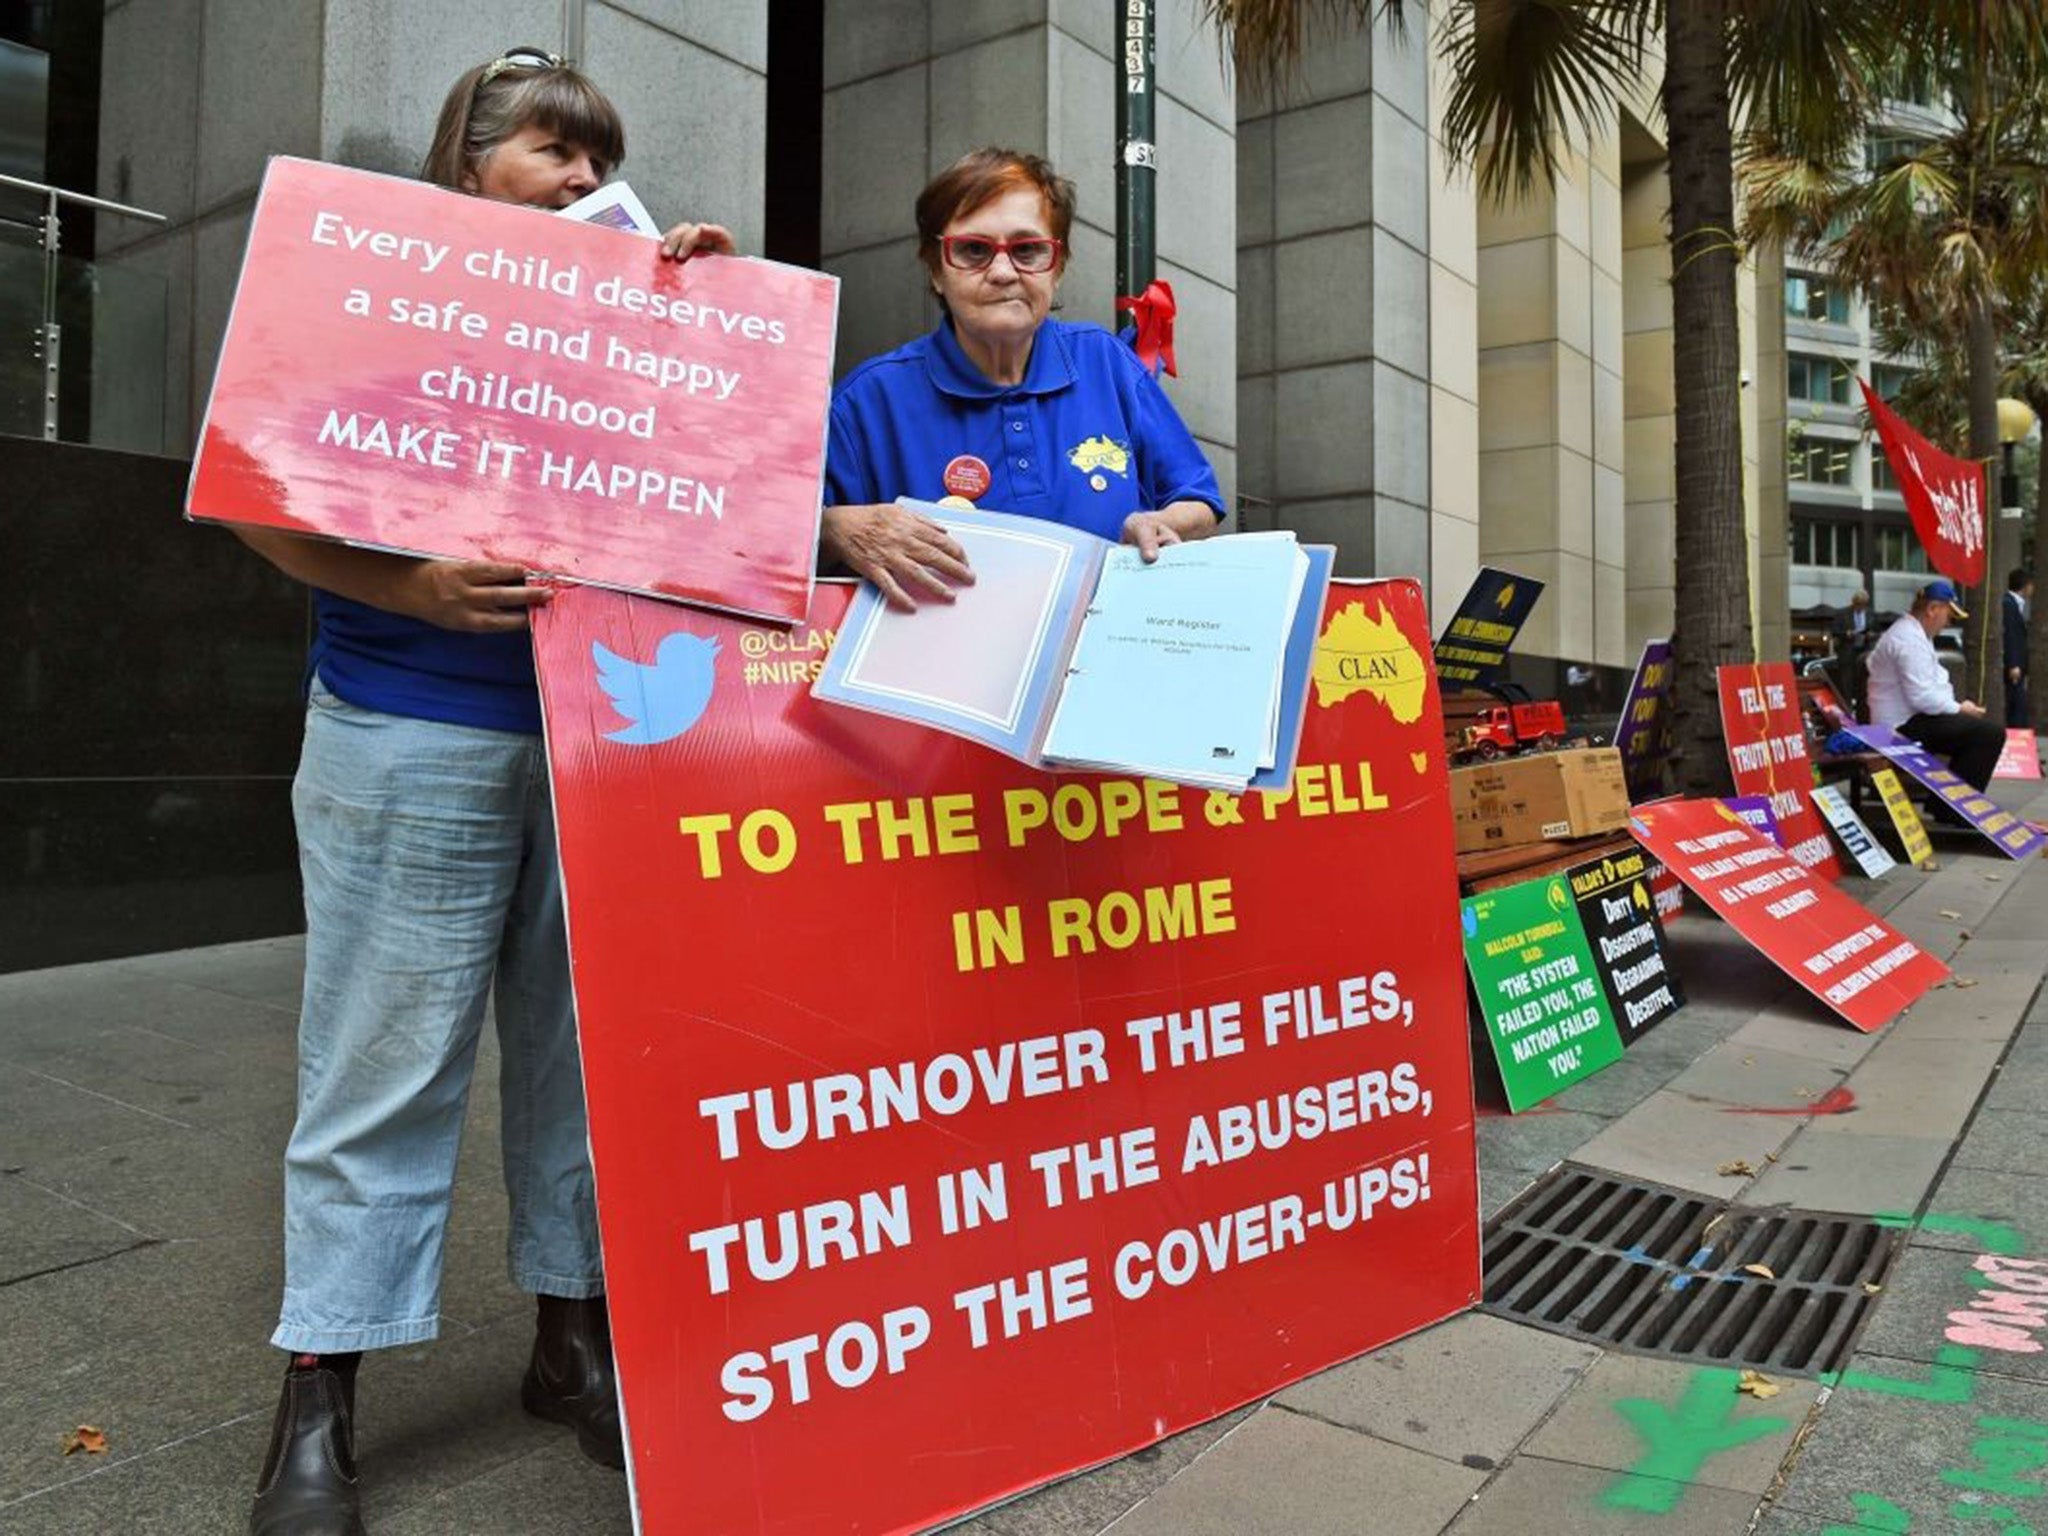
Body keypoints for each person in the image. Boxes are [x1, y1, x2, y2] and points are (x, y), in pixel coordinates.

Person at [231, 49, 734, 1536]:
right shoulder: (366, 299)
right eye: (547, 151)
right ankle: (319, 1387)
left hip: (602, 734)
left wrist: (708, 319)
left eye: (598, 159)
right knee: (380, 1066)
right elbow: (251, 503)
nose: (581, 179)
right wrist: (416, 584)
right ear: (467, 166)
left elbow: (719, 479)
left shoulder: (632, 308)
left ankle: (568, 1341)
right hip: (406, 720)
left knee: (580, 1063)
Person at [820, 147, 1223, 607]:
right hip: (940, 670)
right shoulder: (869, 400)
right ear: (935, 269)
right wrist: (834, 529)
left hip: (1102, 658)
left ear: (1059, 266)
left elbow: (1199, 497)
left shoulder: (1106, 362)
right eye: (973, 250)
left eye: (1028, 250)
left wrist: (1164, 523)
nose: (1002, 272)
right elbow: (774, 539)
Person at [1866, 577, 2004, 791]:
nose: (1949, 623)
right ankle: (1952, 808)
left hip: (1909, 719)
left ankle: (1947, 803)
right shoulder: (1908, 640)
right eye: (1949, 615)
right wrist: (1960, 709)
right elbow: (1922, 697)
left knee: (1977, 731)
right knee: (1989, 734)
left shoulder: (1914, 635)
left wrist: (1956, 709)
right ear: (1932, 609)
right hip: (1901, 726)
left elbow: (1933, 683)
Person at [2004, 567, 2032, 728]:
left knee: (2019, 702)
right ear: (2025, 585)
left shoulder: (2015, 603)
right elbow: (2011, 634)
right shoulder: (2008, 604)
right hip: (2014, 666)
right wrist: (2013, 664)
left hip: (2019, 665)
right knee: (2015, 702)